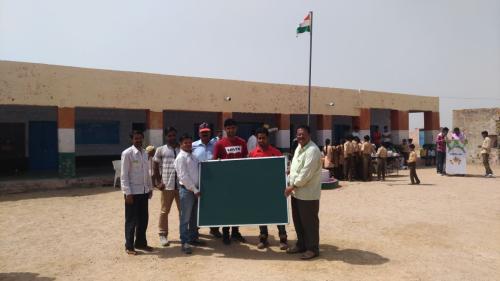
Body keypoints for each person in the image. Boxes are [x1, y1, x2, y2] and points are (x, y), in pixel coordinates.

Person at [285, 125, 322, 260]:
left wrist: (292, 186)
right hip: (297, 193)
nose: (300, 137)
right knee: (299, 221)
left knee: (309, 223)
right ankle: (301, 244)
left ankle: (312, 249)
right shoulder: (299, 148)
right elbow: (296, 167)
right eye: (298, 134)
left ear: (309, 134)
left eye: (303, 134)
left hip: (308, 195)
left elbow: (306, 173)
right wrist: (289, 170)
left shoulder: (312, 150)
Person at [248, 127, 288, 250]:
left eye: (263, 138)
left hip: (275, 189)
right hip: (259, 190)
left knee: (278, 213)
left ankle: (283, 239)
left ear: (268, 138)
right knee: (261, 214)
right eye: (259, 138)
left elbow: (282, 171)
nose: (261, 140)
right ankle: (263, 238)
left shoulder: (276, 152)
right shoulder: (252, 154)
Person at [213, 118, 248, 245]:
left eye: (233, 128)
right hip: (225, 183)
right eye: (228, 128)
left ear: (236, 128)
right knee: (227, 208)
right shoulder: (220, 144)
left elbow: (245, 160)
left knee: (237, 207)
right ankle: (226, 233)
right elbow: (214, 161)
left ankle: (235, 232)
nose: (230, 130)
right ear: (225, 129)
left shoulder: (242, 142)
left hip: (238, 182)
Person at [120, 130, 153, 255]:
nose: (138, 140)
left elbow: (147, 173)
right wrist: (127, 192)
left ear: (143, 139)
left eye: (140, 138)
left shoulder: (145, 153)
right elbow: (124, 175)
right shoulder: (127, 153)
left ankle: (141, 243)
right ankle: (129, 246)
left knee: (143, 219)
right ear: (132, 140)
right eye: (136, 138)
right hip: (132, 193)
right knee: (131, 220)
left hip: (144, 192)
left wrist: (149, 188)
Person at [174, 134, 205, 254]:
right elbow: (183, 177)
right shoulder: (180, 158)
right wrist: (194, 189)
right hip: (187, 191)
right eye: (185, 142)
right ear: (181, 144)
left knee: (194, 217)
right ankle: (185, 242)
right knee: (185, 218)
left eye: (189, 142)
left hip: (196, 190)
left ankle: (193, 238)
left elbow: (200, 168)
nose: (188, 144)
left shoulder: (193, 156)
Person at [192, 122, 222, 238]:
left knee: (213, 205)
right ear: (199, 133)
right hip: (197, 180)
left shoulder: (216, 145)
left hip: (213, 180)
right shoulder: (193, 145)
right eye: (202, 132)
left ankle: (214, 229)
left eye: (207, 132)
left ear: (210, 133)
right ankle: (195, 229)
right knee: (196, 206)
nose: (205, 134)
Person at [153, 127, 180, 247]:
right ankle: (163, 234)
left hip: (181, 186)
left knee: (183, 212)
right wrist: (158, 182)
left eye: (174, 135)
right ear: (166, 137)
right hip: (167, 186)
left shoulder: (182, 148)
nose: (172, 137)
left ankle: (184, 234)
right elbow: (155, 166)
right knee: (164, 211)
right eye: (169, 135)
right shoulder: (160, 150)